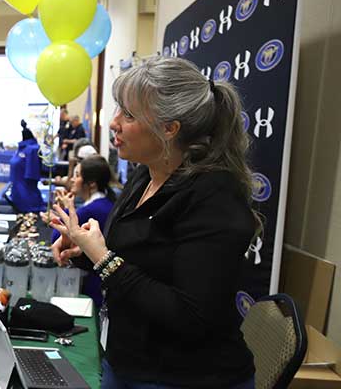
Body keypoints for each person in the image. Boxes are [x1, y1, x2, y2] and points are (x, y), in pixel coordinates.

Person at [50, 56, 257, 388]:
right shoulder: (144, 175)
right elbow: (136, 263)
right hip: (127, 360)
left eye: (128, 114)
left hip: (185, 378)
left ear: (169, 128)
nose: (114, 122)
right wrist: (87, 252)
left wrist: (103, 259)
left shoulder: (213, 197)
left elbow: (190, 315)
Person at [48, 155, 115, 308]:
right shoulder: (104, 202)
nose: (72, 179)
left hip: (93, 287)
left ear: (91, 183)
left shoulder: (92, 210)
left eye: (77, 175)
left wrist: (64, 210)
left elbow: (56, 237)